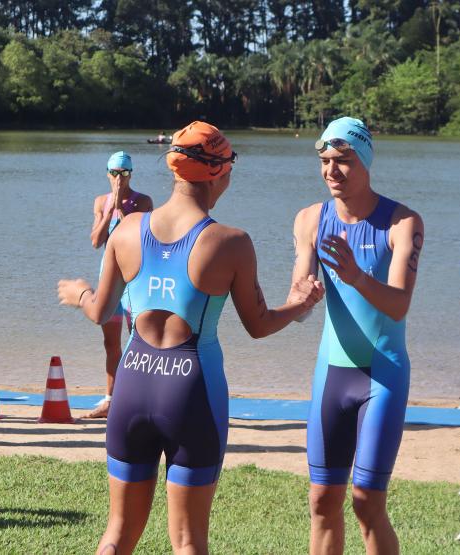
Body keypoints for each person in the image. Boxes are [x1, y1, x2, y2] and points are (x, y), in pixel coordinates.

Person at [58, 121, 324, 554]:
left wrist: (79, 292)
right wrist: (300, 303)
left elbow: (99, 311)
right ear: (219, 171)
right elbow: (258, 324)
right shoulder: (230, 242)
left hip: (132, 384)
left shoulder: (127, 230)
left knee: (118, 533)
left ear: (174, 170)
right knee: (186, 541)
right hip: (190, 392)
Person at [290, 117, 424, 555]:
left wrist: (355, 277)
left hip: (381, 376)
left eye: (343, 161)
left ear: (365, 162)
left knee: (366, 503)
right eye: (326, 161)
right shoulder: (310, 218)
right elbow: (299, 294)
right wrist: (304, 295)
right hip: (332, 374)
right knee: (322, 500)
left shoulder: (401, 223)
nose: (332, 171)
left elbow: (399, 304)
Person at [86, 152, 153, 419]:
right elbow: (95, 241)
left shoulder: (143, 201)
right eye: (114, 173)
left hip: (134, 278)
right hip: (109, 278)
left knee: (138, 339)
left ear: (131, 174)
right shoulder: (100, 201)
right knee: (110, 342)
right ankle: (110, 398)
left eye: (123, 174)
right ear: (107, 173)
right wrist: (108, 209)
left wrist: (122, 209)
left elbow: (142, 238)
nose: (118, 179)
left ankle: (138, 397)